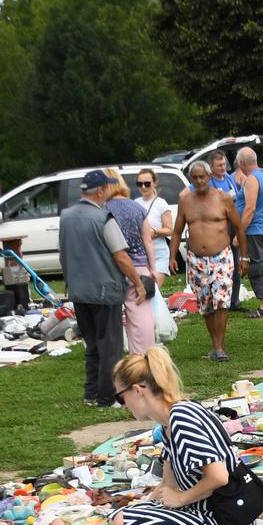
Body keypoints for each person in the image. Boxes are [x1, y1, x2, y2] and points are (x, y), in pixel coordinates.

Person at [107, 346, 256, 525]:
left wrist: (180, 499)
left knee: (121, 522)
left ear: (138, 390)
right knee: (131, 516)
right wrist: (156, 499)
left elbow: (218, 477)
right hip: (226, 522)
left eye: (121, 398)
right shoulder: (171, 419)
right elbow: (169, 474)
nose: (123, 405)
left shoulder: (181, 419)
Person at [59, 169, 145, 408]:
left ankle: (91, 393)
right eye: (106, 187)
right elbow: (121, 257)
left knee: (92, 344)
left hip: (78, 290)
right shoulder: (103, 218)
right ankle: (108, 397)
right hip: (105, 291)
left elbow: (62, 254)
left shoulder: (66, 217)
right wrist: (138, 283)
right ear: (100, 191)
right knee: (111, 346)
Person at [173, 160, 246, 361]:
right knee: (206, 304)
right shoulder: (186, 201)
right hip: (195, 259)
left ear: (209, 176)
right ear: (191, 179)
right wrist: (172, 257)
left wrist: (245, 256)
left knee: (222, 301)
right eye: (195, 177)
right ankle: (215, 344)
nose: (199, 180)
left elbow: (239, 227)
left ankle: (220, 347)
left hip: (221, 256)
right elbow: (177, 231)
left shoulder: (223, 199)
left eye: (202, 176)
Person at [103, 169, 158, 354]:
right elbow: (147, 240)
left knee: (111, 315)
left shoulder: (103, 209)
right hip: (140, 265)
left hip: (113, 267)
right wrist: (153, 268)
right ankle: (144, 353)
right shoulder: (137, 208)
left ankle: (113, 353)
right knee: (142, 314)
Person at [234, 147, 263, 318]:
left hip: (254, 230)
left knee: (256, 267)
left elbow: (250, 209)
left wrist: (240, 233)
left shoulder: (252, 179)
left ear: (243, 163)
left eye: (239, 164)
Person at [204, 151, 246, 312]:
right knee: (217, 265)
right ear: (211, 167)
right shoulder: (209, 182)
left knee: (235, 264)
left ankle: (233, 302)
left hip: (232, 225)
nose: (222, 167)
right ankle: (215, 301)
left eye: (224, 164)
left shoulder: (229, 179)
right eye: (219, 165)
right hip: (217, 228)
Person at [134, 170, 175, 284]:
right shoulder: (135, 203)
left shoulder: (161, 203)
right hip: (140, 255)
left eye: (147, 183)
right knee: (143, 291)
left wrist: (154, 231)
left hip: (159, 253)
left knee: (153, 289)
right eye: (139, 184)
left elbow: (169, 229)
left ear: (154, 183)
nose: (143, 187)